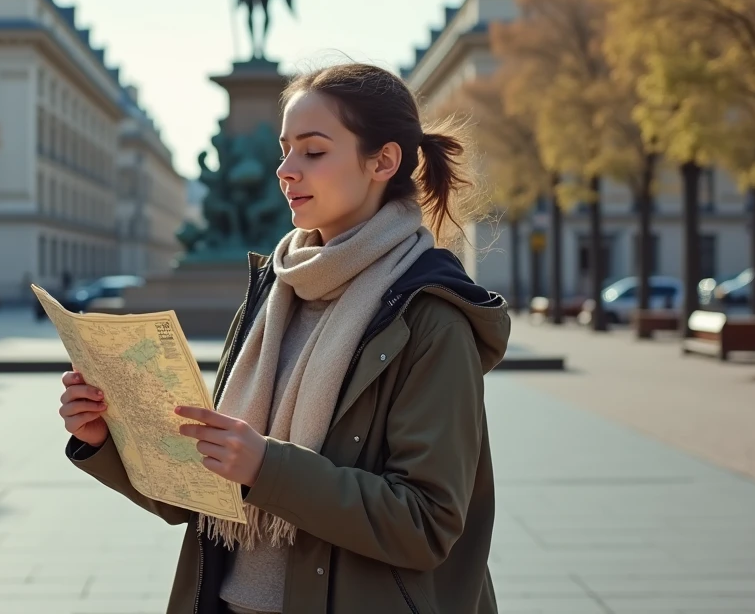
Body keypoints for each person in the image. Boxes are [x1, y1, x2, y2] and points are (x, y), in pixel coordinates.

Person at [59, 63, 509, 613]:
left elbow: (425, 523)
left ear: (383, 161)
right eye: (284, 149)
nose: (285, 171)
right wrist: (106, 436)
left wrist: (266, 468)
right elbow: (198, 496)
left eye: (313, 152)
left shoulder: (433, 318)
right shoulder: (273, 292)